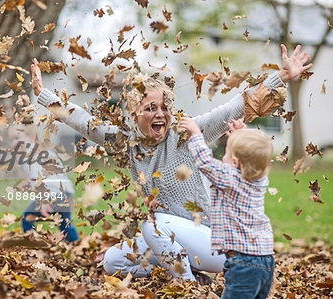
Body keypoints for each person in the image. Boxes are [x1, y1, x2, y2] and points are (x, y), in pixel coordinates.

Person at [30, 44, 312, 280]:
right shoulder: (125, 142)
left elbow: (233, 107)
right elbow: (83, 121)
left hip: (212, 241)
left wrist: (282, 78)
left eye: (165, 107)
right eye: (150, 108)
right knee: (113, 262)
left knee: (153, 225)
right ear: (133, 112)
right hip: (172, 240)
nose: (161, 114)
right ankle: (186, 273)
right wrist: (44, 95)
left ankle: (188, 285)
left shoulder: (184, 134)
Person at [180, 117, 274, 298]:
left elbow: (206, 163)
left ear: (235, 163)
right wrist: (239, 136)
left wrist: (195, 134)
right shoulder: (260, 181)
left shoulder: (230, 178)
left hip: (243, 262)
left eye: (225, 155)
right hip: (266, 259)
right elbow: (250, 157)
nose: (222, 159)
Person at [10, 126, 79, 242]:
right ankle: (77, 246)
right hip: (65, 191)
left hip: (54, 194)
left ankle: (32, 245)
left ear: (31, 137)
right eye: (12, 139)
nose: (14, 143)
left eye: (17, 138)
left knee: (27, 218)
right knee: (64, 224)